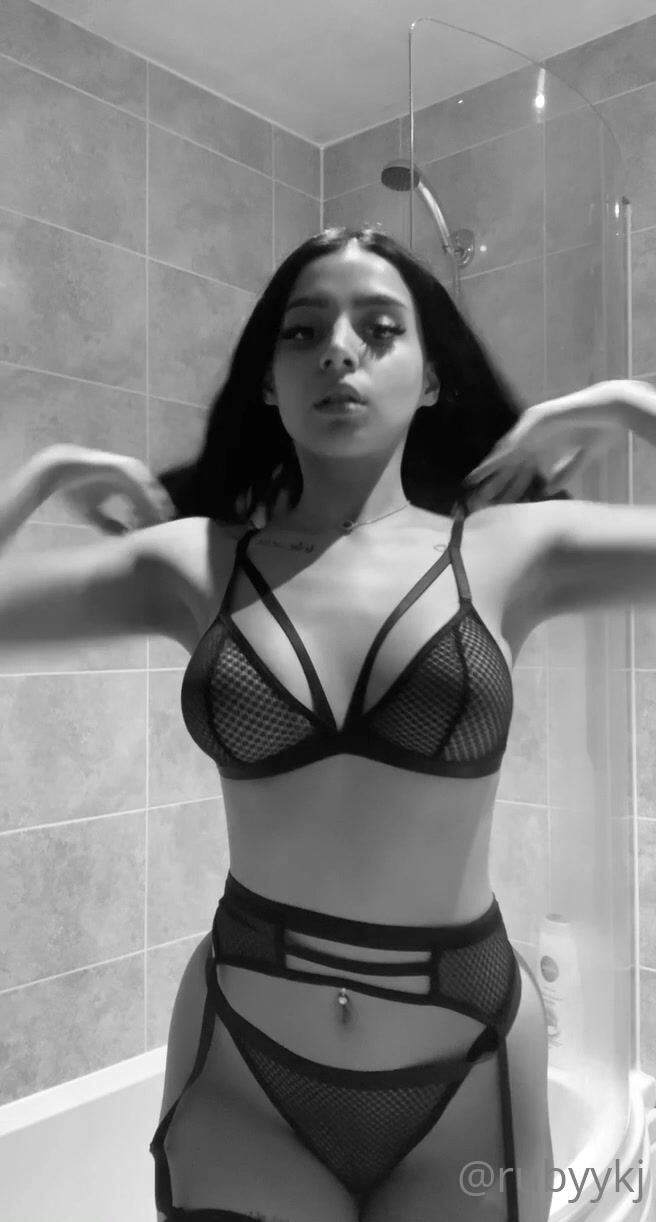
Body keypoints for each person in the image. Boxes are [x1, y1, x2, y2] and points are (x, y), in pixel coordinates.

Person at [2, 225, 653, 1222]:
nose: (338, 350)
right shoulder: (196, 564)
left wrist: (623, 404)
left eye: (379, 328)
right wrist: (42, 475)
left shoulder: (511, 550)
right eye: (303, 332)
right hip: (241, 1069)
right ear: (268, 381)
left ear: (430, 378)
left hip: (467, 1065)